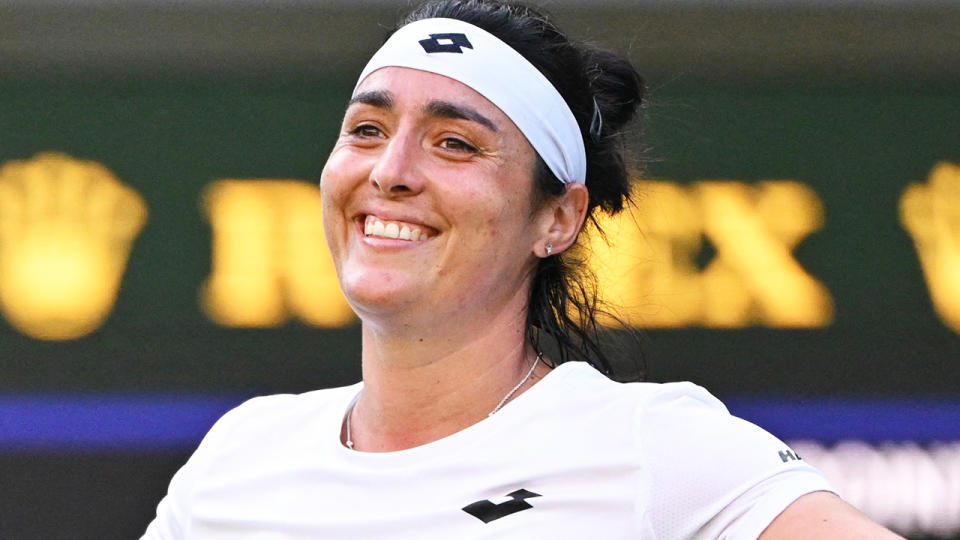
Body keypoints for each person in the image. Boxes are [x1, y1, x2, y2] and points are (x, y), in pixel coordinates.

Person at [144, 0, 902, 538]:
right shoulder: (239, 457)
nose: (392, 171)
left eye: (455, 144)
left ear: (558, 218)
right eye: (368, 129)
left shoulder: (653, 448)